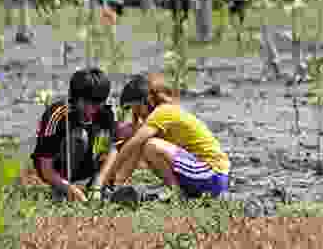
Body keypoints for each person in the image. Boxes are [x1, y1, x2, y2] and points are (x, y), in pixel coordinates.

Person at [101, 73, 230, 200]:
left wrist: (107, 177)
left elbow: (132, 145)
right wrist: (118, 182)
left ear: (149, 100)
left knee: (149, 146)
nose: (137, 114)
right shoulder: (160, 116)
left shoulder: (162, 112)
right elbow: (135, 151)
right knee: (144, 145)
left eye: (137, 108)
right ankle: (117, 186)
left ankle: (176, 194)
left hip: (212, 174)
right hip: (205, 174)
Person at [30, 68, 133, 202]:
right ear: (77, 98)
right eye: (89, 103)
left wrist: (98, 184)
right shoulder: (58, 115)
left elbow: (113, 149)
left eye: (99, 103)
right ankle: (62, 189)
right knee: (80, 136)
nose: (94, 109)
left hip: (87, 165)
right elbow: (45, 167)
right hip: (56, 169)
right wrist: (68, 188)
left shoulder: (105, 112)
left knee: (118, 142)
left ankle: (94, 187)